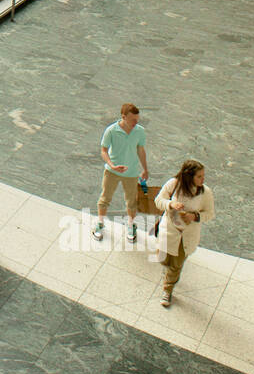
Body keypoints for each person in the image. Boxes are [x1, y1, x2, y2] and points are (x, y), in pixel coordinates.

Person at [155, 159, 216, 308]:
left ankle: (167, 289)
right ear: (189, 176)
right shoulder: (174, 184)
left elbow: (209, 214)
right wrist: (171, 204)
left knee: (176, 265)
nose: (203, 179)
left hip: (186, 237)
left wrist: (194, 216)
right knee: (162, 258)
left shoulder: (205, 193)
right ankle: (169, 273)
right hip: (169, 231)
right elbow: (159, 200)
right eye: (199, 176)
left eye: (203, 176)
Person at [92, 102, 150, 243]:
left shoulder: (139, 131)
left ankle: (131, 225)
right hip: (112, 172)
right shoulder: (111, 130)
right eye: (132, 120)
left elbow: (140, 149)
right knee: (105, 197)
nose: (135, 123)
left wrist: (145, 169)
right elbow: (103, 150)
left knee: (131, 201)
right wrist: (112, 165)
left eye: (137, 120)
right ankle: (100, 223)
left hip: (131, 173)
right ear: (123, 117)